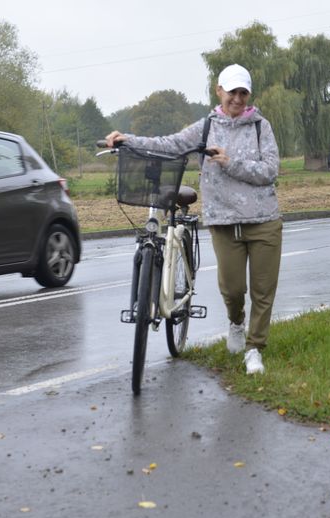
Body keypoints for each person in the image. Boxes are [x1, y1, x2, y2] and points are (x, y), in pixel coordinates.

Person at [105, 64, 282, 375]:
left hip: (263, 220)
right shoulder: (205, 127)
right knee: (232, 289)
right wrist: (127, 140)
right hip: (224, 222)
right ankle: (236, 322)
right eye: (232, 92)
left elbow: (270, 171)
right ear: (219, 91)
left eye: (243, 93)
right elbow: (169, 144)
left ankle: (255, 348)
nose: (237, 98)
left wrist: (230, 162)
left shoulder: (260, 127)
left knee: (263, 291)